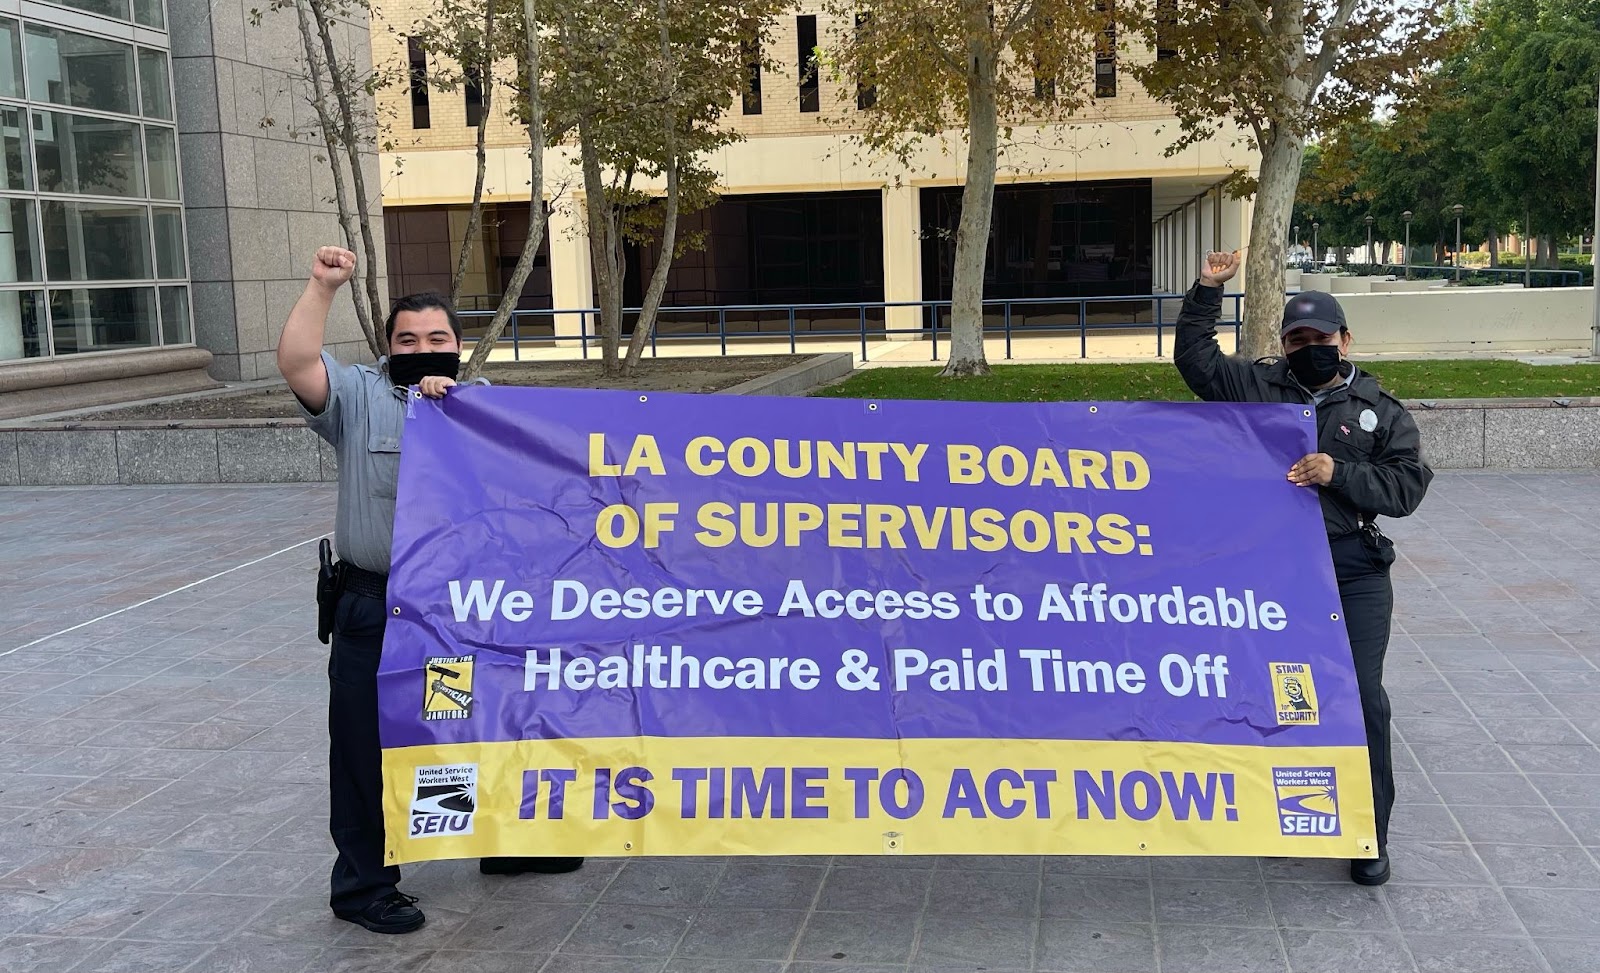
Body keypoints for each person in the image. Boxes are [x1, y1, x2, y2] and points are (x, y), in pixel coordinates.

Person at [278, 246, 583, 934]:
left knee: (452, 734)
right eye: (406, 339)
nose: (421, 348)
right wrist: (322, 285)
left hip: (451, 619)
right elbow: (298, 361)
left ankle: (491, 844)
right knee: (362, 746)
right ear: (388, 347)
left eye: (436, 338)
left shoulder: (487, 411)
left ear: (458, 344)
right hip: (374, 609)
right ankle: (363, 886)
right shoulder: (357, 396)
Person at [1174, 250, 1433, 887]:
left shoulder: (1380, 410)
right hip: (1273, 573)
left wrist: (1338, 473)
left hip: (1352, 574)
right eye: (1298, 339)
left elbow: (1405, 489)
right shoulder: (1259, 386)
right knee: (1287, 695)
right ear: (1284, 345)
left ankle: (1369, 832)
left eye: (1322, 339)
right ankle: (1291, 815)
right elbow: (1197, 361)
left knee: (1361, 697)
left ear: (1345, 340)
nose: (1310, 348)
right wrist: (1209, 287)